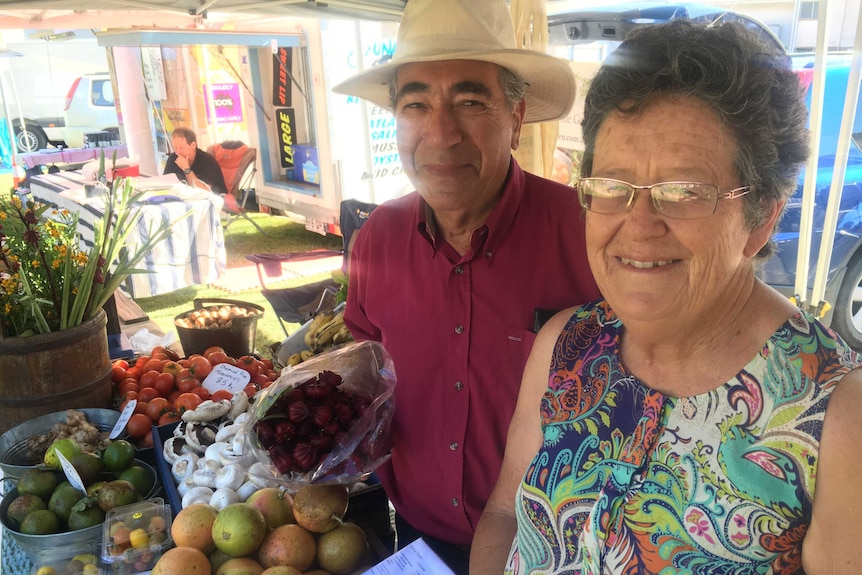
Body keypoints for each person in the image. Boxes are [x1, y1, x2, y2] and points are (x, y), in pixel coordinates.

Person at [470, 19, 862, 574]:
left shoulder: (840, 419)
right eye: (611, 186)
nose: (639, 226)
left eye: (684, 191)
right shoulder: (566, 344)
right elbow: (507, 513)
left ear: (762, 216)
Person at [331, 0, 600, 572]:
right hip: (418, 543)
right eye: (416, 104)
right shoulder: (378, 236)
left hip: (555, 551)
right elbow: (364, 366)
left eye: (471, 101)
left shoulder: (588, 233)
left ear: (518, 116)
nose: (441, 134)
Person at [163, 127, 227, 195]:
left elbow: (203, 191)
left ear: (193, 145)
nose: (178, 152)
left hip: (214, 199)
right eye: (175, 148)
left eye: (181, 148)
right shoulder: (173, 158)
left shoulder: (208, 161)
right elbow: (165, 184)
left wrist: (186, 169)